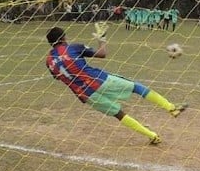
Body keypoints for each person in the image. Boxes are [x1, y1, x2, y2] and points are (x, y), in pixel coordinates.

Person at [45, 26, 187, 145]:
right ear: (64, 38)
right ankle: (171, 108)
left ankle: (152, 136)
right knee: (136, 87)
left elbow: (58, 77)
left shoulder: (49, 61)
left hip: (85, 94)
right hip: (99, 80)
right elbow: (102, 54)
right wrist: (102, 39)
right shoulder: (74, 47)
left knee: (118, 114)